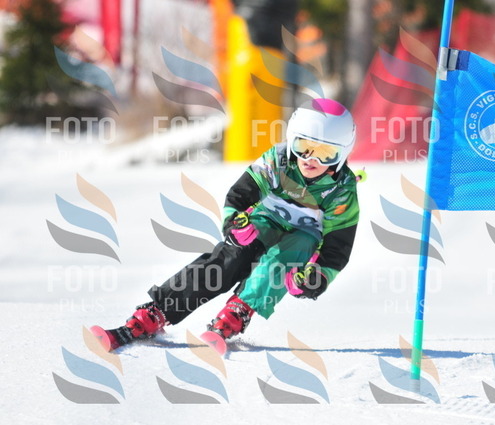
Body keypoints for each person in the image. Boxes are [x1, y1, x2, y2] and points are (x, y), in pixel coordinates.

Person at [93, 98, 360, 352]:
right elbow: (241, 193)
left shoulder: (342, 190)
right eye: (303, 147)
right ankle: (158, 311)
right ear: (291, 140)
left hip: (306, 235)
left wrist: (317, 279)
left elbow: (338, 245)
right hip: (267, 219)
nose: (311, 159)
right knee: (230, 258)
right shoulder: (278, 160)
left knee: (284, 257)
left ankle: (238, 311)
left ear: (342, 154)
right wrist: (234, 224)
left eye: (326, 153)